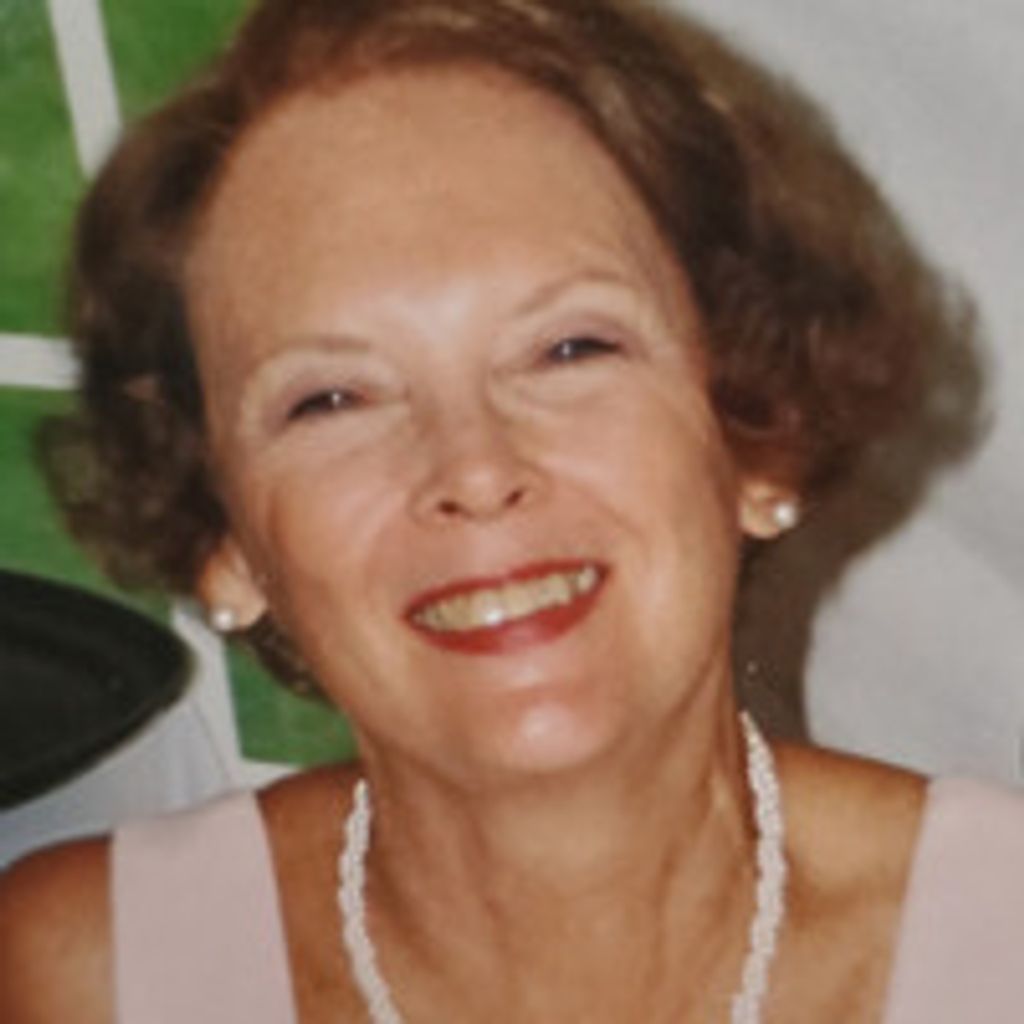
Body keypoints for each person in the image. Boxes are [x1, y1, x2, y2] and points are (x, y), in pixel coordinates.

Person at [0, 0, 1019, 1021]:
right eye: (333, 399)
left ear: (755, 436)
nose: (475, 469)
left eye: (570, 348)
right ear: (220, 535)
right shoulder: (90, 974)